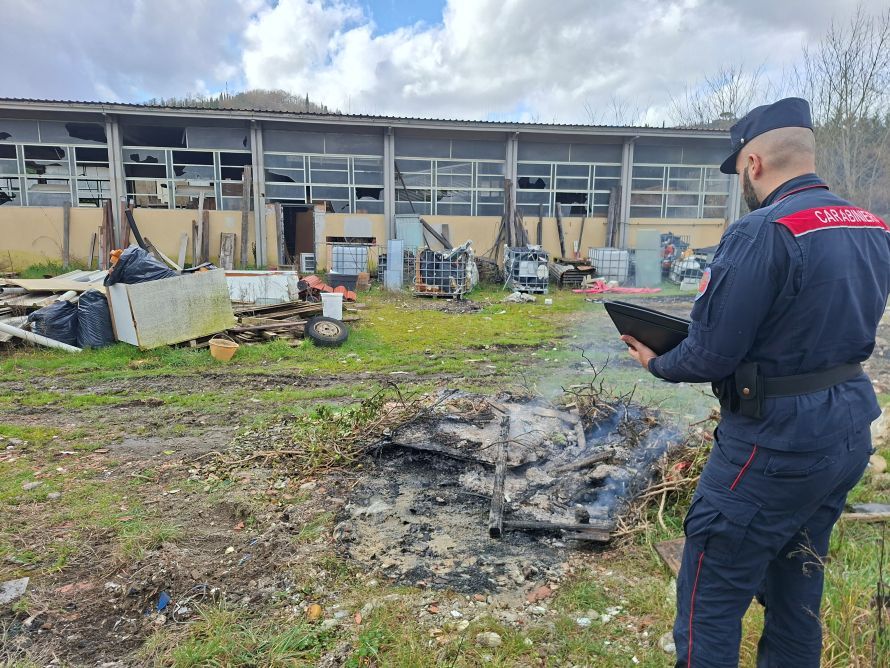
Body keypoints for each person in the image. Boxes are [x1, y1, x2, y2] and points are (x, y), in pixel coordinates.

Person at [621, 97, 890, 667]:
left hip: (773, 444)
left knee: (711, 594)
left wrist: (656, 362)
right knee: (798, 588)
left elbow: (710, 354)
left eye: (739, 170)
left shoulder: (760, 231)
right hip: (847, 429)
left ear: (754, 164)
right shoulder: (871, 225)